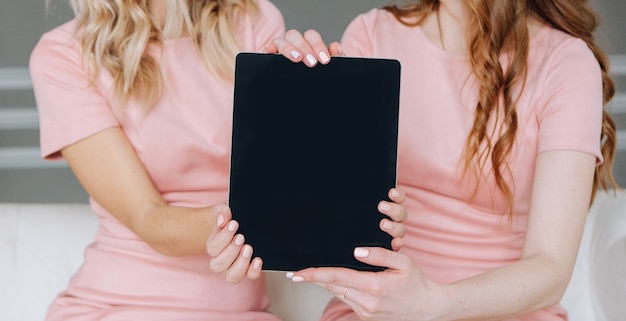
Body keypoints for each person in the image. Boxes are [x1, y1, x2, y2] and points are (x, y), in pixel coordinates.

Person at [260, 0, 619, 320]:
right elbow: (325, 210)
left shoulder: (565, 63)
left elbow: (550, 269)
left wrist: (433, 303)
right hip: (377, 312)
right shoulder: (373, 34)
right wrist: (294, 106)